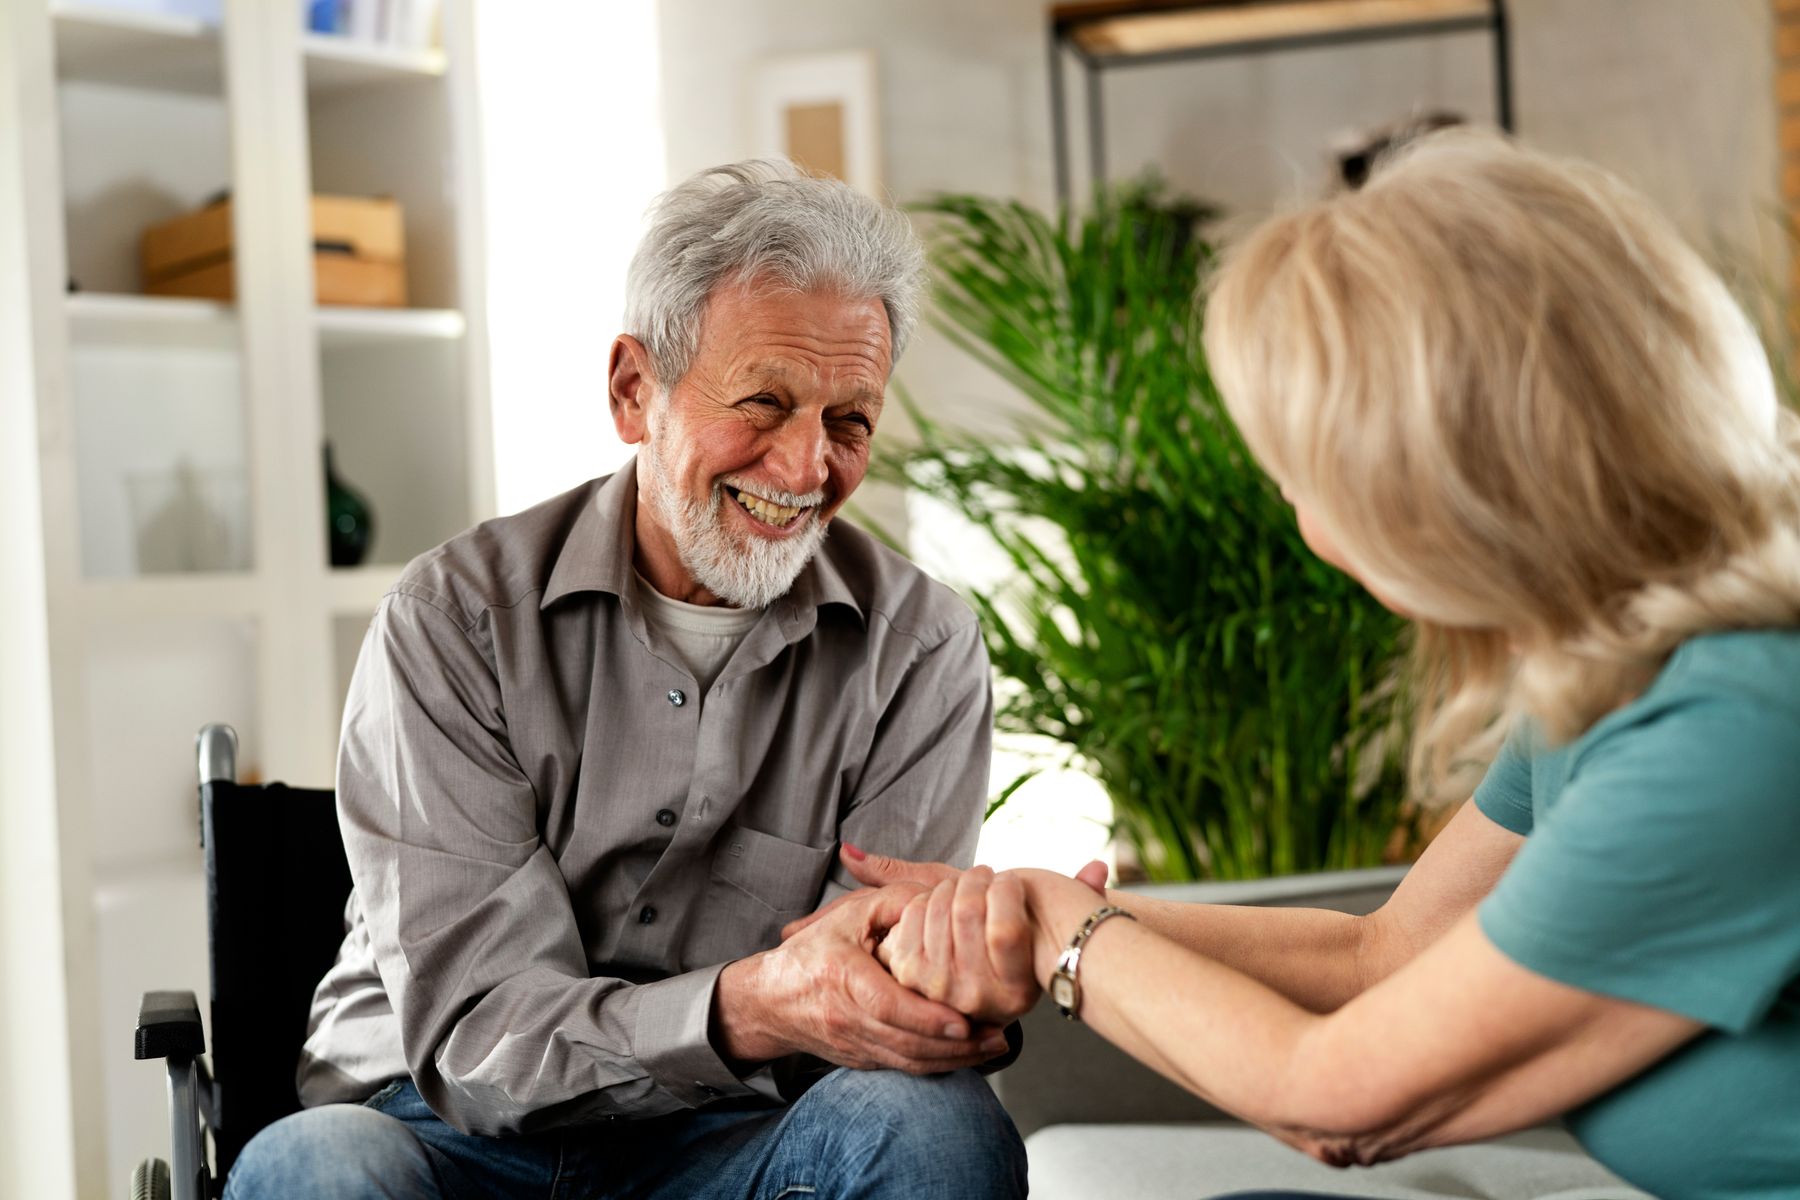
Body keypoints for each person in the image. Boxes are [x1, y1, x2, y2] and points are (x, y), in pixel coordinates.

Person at [860, 132, 1800, 1199]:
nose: (1304, 523)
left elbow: (1333, 1096)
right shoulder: (1629, 651)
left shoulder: (1738, 723)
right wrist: (1016, 907)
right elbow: (1387, 957)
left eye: (1301, 475)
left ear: (1440, 495)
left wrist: (1066, 935)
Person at [224, 159, 1029, 1200]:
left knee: (935, 1129)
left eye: (849, 421)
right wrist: (755, 1002)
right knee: (311, 1169)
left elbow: (864, 1019)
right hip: (437, 1129)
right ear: (632, 391)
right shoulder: (452, 623)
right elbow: (480, 1037)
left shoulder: (920, 651)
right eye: (765, 403)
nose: (803, 469)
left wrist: (980, 972)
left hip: (736, 1139)